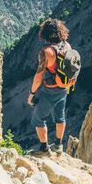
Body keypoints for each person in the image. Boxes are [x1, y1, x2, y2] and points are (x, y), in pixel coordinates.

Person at [28, 18, 73, 153]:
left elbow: (38, 76)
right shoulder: (67, 46)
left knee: (38, 118)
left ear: (45, 34)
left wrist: (31, 94)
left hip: (51, 90)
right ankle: (58, 145)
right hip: (64, 87)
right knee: (60, 116)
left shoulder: (46, 52)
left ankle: (43, 149)